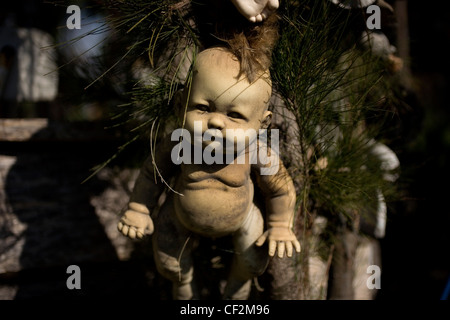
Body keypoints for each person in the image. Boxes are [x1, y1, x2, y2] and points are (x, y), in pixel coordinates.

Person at [117, 46, 300, 300]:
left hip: (242, 218)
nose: (216, 122)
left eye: (235, 115)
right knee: (169, 262)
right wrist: (139, 208)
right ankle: (183, 286)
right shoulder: (179, 142)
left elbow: (280, 188)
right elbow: (152, 174)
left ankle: (239, 283)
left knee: (253, 261)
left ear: (262, 124)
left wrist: (280, 225)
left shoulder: (258, 152)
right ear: (182, 105)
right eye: (203, 108)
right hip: (180, 215)